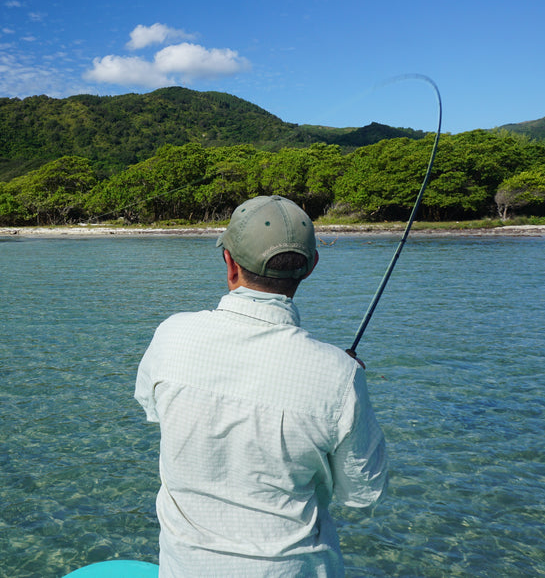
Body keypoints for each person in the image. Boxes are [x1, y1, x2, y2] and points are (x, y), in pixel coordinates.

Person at [135, 195, 387, 577]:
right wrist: (345, 379)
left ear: (230, 263)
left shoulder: (171, 335)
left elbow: (153, 411)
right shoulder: (340, 375)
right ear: (310, 268)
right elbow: (362, 494)